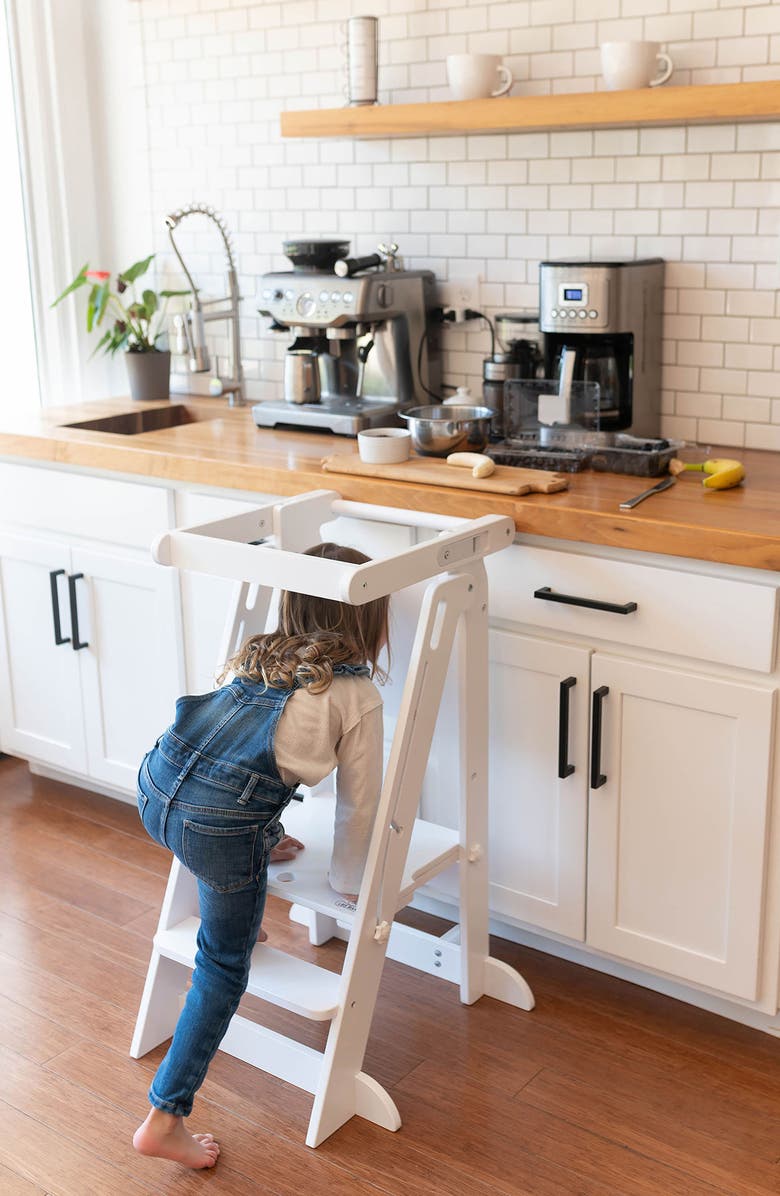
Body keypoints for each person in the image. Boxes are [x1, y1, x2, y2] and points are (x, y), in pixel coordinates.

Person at [132, 542, 389, 1169]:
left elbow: (221, 759)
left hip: (156, 787)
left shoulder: (254, 655)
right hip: (220, 828)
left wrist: (263, 835)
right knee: (222, 964)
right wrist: (351, 882)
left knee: (224, 845)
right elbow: (359, 806)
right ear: (371, 622)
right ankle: (167, 1116)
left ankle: (245, 883)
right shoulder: (354, 696)